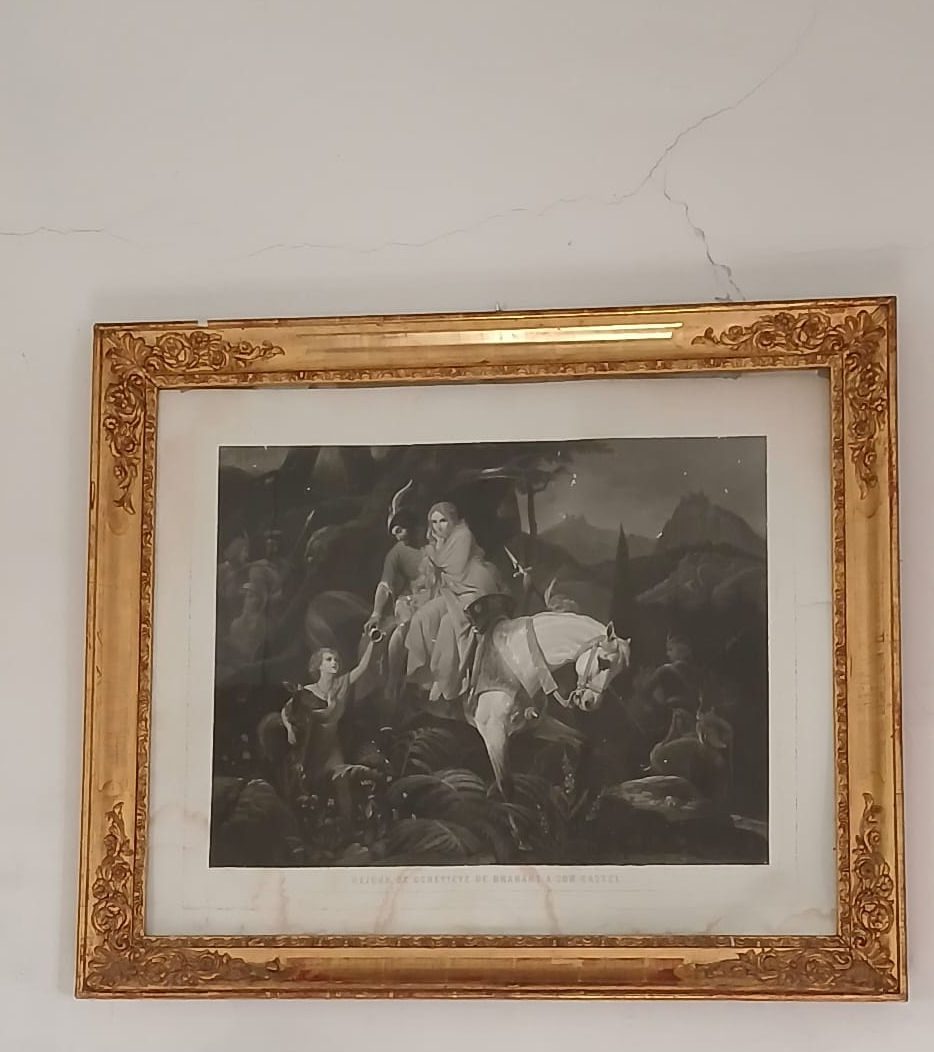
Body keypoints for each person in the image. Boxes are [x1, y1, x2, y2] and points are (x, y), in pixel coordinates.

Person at [405, 501, 505, 701]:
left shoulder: (463, 534)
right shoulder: (439, 543)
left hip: (475, 588)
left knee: (447, 624)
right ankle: (427, 676)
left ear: (452, 520)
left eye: (443, 521)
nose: (438, 527)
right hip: (453, 591)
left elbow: (454, 568)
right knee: (422, 617)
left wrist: (433, 550)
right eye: (434, 522)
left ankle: (447, 681)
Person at [280, 637, 378, 818]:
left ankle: (347, 826)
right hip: (312, 746)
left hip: (332, 745)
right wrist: (289, 729)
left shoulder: (341, 684)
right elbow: (286, 711)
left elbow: (362, 667)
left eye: (336, 660)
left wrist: (372, 642)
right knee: (309, 787)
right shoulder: (307, 692)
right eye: (329, 660)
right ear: (319, 666)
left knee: (342, 783)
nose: (334, 663)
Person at [364, 508, 431, 706]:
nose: (398, 537)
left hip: (436, 599)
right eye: (395, 534)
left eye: (400, 531)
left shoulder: (435, 544)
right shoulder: (396, 553)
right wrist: (376, 613)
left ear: (411, 527)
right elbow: (385, 586)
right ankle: (394, 682)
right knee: (405, 629)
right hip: (410, 602)